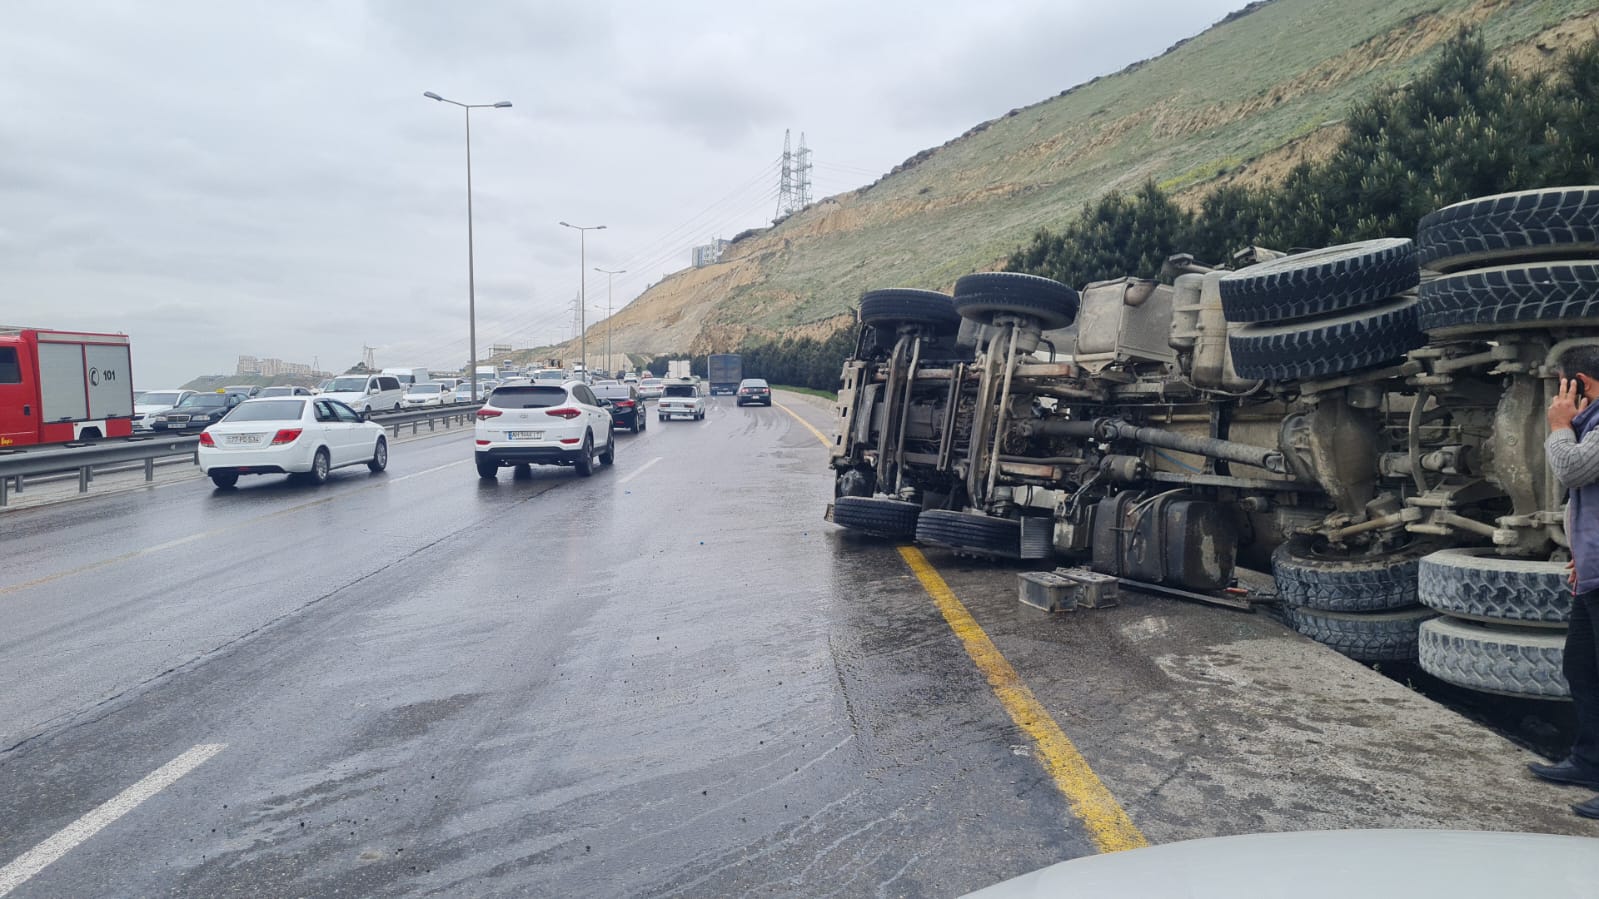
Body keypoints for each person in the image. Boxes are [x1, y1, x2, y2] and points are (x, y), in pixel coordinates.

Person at [1535, 346, 1599, 820]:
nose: (1560, 397)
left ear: (1579, 383)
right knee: (1581, 667)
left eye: (1563, 387)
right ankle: (1590, 761)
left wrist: (1559, 424)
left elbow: (1573, 469)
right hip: (1594, 571)